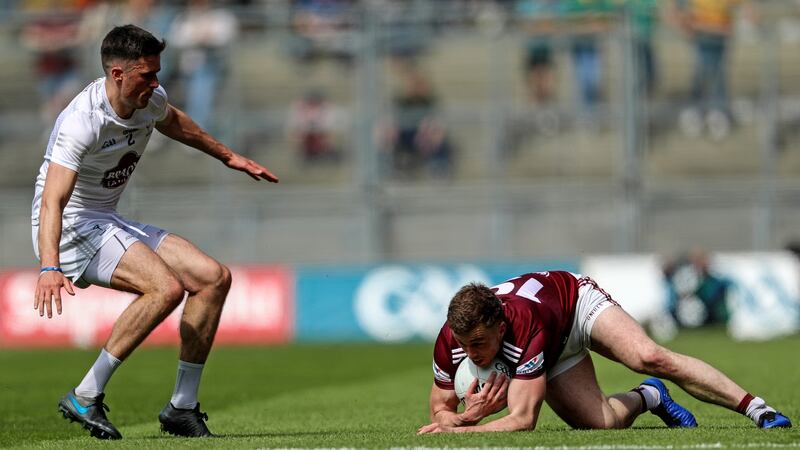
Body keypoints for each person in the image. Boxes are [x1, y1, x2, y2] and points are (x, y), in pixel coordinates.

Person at [32, 25, 278, 440]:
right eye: (147, 75)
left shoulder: (149, 99)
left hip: (106, 216)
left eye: (157, 72)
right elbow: (53, 200)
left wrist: (228, 156)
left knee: (213, 278)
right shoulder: (82, 121)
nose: (156, 82)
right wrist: (48, 266)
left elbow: (175, 122)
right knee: (164, 288)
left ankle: (182, 407)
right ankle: (85, 395)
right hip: (71, 224)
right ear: (117, 75)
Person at [418, 271, 792, 433]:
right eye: (464, 343)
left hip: (574, 304)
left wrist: (462, 431)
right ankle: (650, 396)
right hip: (552, 345)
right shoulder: (452, 338)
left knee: (648, 356)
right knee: (603, 424)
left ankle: (757, 408)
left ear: (500, 329)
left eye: (479, 344)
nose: (471, 353)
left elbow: (522, 419)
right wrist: (458, 418)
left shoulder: (524, 324)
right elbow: (441, 407)